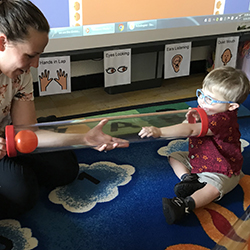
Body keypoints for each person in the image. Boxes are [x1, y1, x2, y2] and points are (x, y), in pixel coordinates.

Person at [0, 0, 128, 218]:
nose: (36, 64)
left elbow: (27, 133)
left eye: (39, 55)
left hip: (9, 138)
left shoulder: (21, 75)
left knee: (65, 169)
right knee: (21, 195)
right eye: (30, 55)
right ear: (2, 42)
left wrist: (85, 138)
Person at [139, 66, 250, 224]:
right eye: (202, 94)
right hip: (200, 158)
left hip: (223, 168)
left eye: (210, 99)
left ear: (231, 106)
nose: (202, 101)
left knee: (214, 188)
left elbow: (189, 130)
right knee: (175, 156)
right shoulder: (207, 110)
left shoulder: (222, 120)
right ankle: (188, 179)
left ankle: (185, 205)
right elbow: (189, 125)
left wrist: (159, 131)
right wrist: (192, 118)